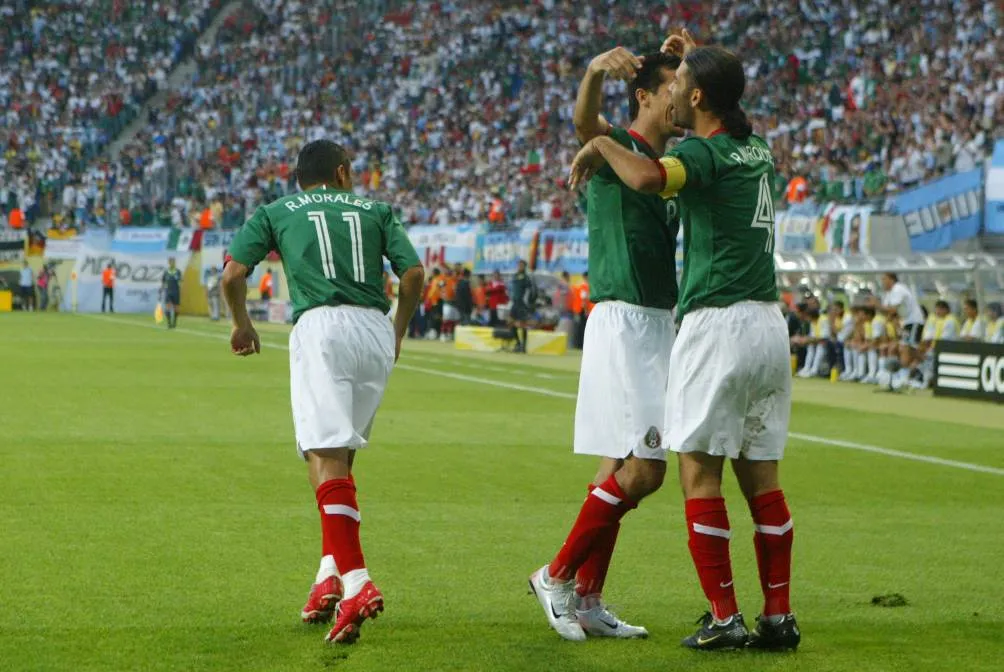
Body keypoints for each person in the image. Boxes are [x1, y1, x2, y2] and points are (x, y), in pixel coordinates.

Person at [568, 34, 799, 651]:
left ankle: (724, 618)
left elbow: (645, 176)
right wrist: (703, 61)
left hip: (717, 324)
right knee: (764, 479)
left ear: (696, 96)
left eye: (681, 86)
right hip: (770, 328)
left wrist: (597, 143)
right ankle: (778, 616)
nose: (670, 95)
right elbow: (718, 102)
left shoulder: (704, 155)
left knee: (697, 474)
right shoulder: (759, 149)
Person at [222, 139, 424, 645]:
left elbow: (232, 275)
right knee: (341, 456)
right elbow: (415, 273)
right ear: (340, 172)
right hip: (374, 331)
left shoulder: (275, 211)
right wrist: (397, 329)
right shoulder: (376, 209)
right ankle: (327, 576)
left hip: (322, 327)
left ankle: (356, 580)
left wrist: (242, 324)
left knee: (324, 452)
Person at [530, 46, 683, 641]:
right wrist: (594, 69)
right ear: (644, 95)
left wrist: (689, 55)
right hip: (626, 319)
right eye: (671, 87)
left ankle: (588, 598)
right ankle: (557, 574)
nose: (680, 97)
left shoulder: (669, 162)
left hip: (654, 320)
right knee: (645, 471)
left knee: (617, 465)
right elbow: (583, 125)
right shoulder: (618, 144)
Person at [877, 273, 925, 390]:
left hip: (914, 321)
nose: (882, 282)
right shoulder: (889, 293)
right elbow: (890, 313)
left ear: (891, 280)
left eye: (884, 279)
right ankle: (901, 376)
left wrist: (876, 305)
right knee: (906, 348)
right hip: (906, 323)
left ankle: (904, 378)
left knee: (905, 348)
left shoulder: (898, 289)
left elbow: (892, 309)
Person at [508, 259, 535, 353]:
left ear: (524, 266)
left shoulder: (526, 277)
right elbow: (512, 289)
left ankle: (523, 345)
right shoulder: (515, 276)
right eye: (519, 265)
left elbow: (529, 291)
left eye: (521, 265)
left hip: (521, 303)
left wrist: (527, 302)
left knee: (523, 325)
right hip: (514, 303)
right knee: (510, 323)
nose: (519, 266)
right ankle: (518, 343)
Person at [161, 258, 183, 329]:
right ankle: (169, 323)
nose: (172, 263)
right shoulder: (166, 272)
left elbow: (181, 281)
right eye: (171, 262)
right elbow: (163, 282)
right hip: (168, 291)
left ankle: (174, 322)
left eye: (173, 262)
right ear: (169, 263)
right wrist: (162, 289)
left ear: (175, 263)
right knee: (168, 306)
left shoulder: (178, 272)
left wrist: (180, 288)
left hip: (176, 292)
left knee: (176, 308)